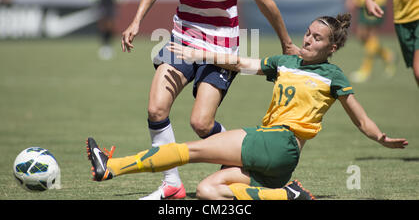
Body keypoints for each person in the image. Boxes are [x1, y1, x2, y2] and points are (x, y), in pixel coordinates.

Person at [87, 13, 408, 200]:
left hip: (279, 142)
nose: (308, 40)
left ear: (333, 47)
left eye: (318, 39)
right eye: (308, 34)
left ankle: (112, 167)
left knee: (192, 150)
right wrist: (200, 55)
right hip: (281, 163)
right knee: (208, 190)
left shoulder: (334, 75)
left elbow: (361, 119)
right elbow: (240, 61)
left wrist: (380, 138)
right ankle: (284, 196)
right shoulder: (285, 62)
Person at [120, 0, 297, 200]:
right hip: (182, 40)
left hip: (221, 50)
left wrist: (286, 42)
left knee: (200, 124)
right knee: (155, 108)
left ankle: (237, 157)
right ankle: (171, 184)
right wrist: (136, 21)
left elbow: (265, 2)